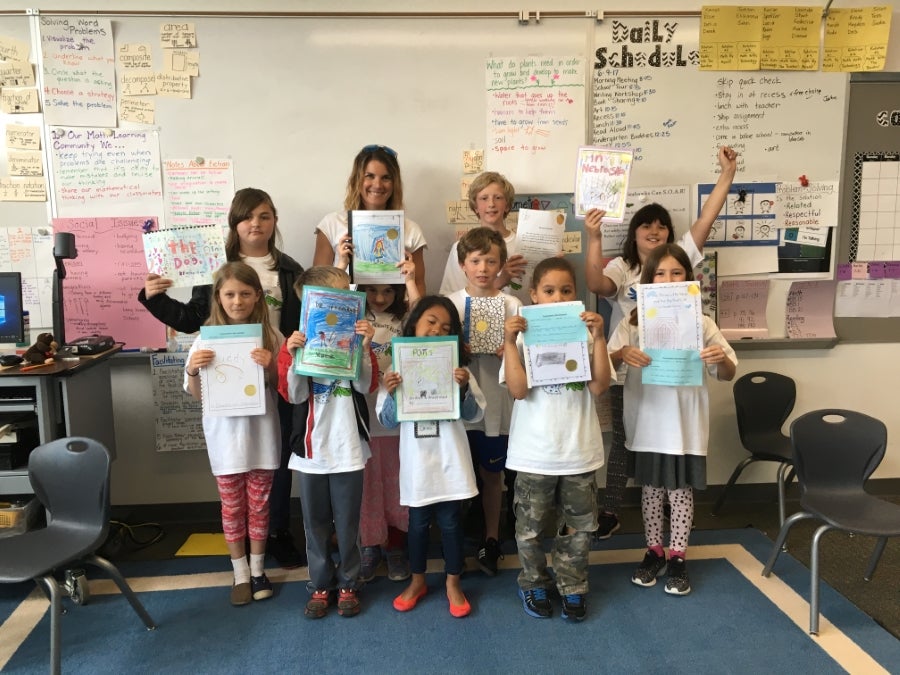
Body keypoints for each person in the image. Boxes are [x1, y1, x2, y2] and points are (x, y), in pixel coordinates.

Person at [139, 187, 306, 569]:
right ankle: (243, 547)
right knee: (234, 467)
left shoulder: (290, 269)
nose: (256, 224)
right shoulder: (215, 266)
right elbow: (191, 319)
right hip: (227, 381)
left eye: (265, 216)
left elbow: (300, 324)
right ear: (234, 222)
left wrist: (287, 362)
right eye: (248, 216)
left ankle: (275, 533)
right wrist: (153, 298)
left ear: (275, 221)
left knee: (275, 461)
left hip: (272, 372)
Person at [584, 145, 738, 540]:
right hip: (634, 368)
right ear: (633, 233)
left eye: (662, 226)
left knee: (672, 460)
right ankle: (614, 512)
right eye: (646, 226)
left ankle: (674, 547)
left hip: (679, 379)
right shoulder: (624, 268)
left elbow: (707, 219)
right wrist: (594, 237)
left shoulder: (682, 264)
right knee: (626, 440)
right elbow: (596, 285)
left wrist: (726, 176)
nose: (655, 232)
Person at [607, 244, 737, 595]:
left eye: (676, 273)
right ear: (648, 281)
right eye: (660, 274)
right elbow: (605, 365)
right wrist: (622, 354)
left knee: (679, 493)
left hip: (683, 425)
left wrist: (718, 358)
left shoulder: (702, 323)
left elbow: (727, 371)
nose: (668, 280)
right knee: (650, 491)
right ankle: (654, 551)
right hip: (648, 421)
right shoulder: (632, 323)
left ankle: (679, 556)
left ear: (689, 279)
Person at [501, 257, 611, 621]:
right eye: (548, 291)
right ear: (533, 294)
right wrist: (508, 339)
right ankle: (533, 581)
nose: (557, 296)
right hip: (534, 453)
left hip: (578, 451)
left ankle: (573, 585)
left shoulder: (585, 334)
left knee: (579, 527)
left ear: (575, 295)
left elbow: (599, 385)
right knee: (529, 528)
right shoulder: (521, 338)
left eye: (566, 290)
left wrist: (598, 338)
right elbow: (517, 390)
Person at [376, 295, 486, 618]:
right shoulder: (398, 367)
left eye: (446, 327)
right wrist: (393, 392)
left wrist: (463, 389)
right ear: (414, 325)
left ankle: (453, 582)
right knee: (418, 525)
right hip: (418, 464)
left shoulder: (459, 369)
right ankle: (418, 580)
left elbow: (475, 414)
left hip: (450, 460)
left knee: (452, 523)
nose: (438, 330)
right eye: (431, 322)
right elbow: (387, 420)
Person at [277, 266, 376, 619]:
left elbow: (366, 386)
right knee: (314, 523)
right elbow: (293, 395)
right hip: (311, 451)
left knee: (348, 522)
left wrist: (364, 348)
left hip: (348, 447)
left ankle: (349, 582)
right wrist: (295, 358)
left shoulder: (357, 340)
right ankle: (320, 583)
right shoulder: (295, 344)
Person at [183, 262, 282, 606]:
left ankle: (257, 571)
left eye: (244, 293)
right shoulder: (203, 341)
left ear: (257, 296)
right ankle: (239, 573)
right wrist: (194, 370)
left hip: (262, 438)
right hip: (225, 442)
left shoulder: (272, 337)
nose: (237, 301)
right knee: (232, 507)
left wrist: (271, 365)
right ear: (218, 298)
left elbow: (286, 389)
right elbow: (197, 394)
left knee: (259, 507)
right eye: (229, 294)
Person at [444, 227, 523, 576]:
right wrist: (453, 349)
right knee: (458, 475)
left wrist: (506, 348)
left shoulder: (512, 304)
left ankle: (491, 539)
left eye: (491, 261)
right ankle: (455, 541)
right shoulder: (449, 303)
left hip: (497, 405)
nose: (483, 268)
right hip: (458, 408)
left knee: (493, 476)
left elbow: (524, 360)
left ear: (501, 264)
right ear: (463, 264)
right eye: (476, 260)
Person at [357, 257, 420, 583]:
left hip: (396, 415)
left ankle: (395, 546)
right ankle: (369, 546)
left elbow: (426, 318)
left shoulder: (405, 319)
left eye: (386, 291)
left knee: (396, 482)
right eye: (371, 290)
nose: (379, 298)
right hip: (363, 414)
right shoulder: (355, 314)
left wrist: (411, 280)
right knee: (368, 485)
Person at [313, 144, 427, 297]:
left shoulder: (411, 229)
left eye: (386, 178)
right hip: (346, 317)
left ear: (395, 184)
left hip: (394, 319)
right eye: (370, 176)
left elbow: (419, 285)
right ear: (357, 180)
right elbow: (317, 289)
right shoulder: (331, 224)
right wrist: (341, 263)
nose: (377, 185)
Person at [439, 171, 528, 304]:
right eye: (484, 198)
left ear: (507, 205)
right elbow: (453, 300)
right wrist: (501, 281)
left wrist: (550, 261)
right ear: (475, 207)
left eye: (498, 197)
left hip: (519, 317)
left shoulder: (523, 244)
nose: (491, 204)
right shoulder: (461, 247)